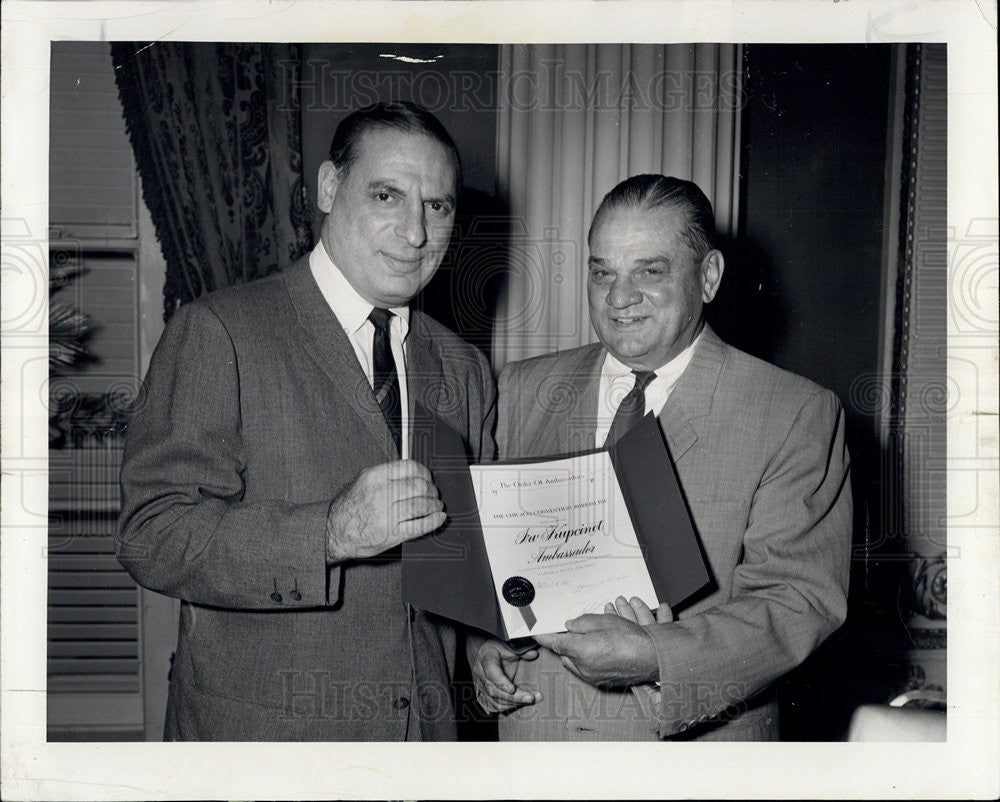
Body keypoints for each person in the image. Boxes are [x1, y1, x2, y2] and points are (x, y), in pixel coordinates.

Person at [117, 102, 496, 741]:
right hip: (265, 744)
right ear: (328, 188)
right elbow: (151, 535)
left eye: (438, 206)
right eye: (387, 195)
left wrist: (487, 644)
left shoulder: (464, 368)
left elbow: (463, 557)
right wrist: (328, 533)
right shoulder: (220, 333)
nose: (415, 232)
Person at [468, 174, 852, 741]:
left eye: (650, 271)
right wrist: (482, 641)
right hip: (535, 740)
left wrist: (655, 657)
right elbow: (486, 556)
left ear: (709, 277)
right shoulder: (525, 387)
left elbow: (797, 602)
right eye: (603, 272)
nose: (619, 297)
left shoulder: (792, 412)